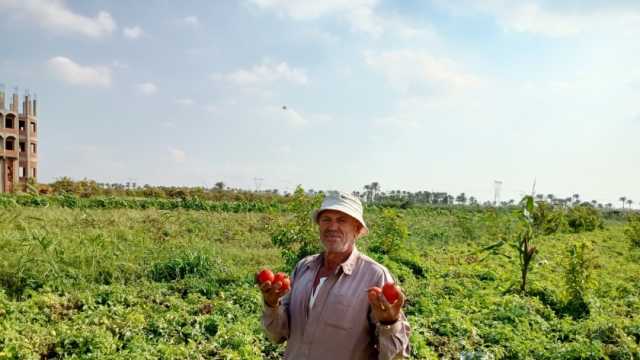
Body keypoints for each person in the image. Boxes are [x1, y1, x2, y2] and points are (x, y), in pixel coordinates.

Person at [258, 191, 411, 359]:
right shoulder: (303, 268)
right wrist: (271, 305)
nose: (332, 227)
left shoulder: (375, 276)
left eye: (342, 220)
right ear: (319, 225)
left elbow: (396, 357)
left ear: (357, 229)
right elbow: (277, 335)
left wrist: (390, 323)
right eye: (326, 220)